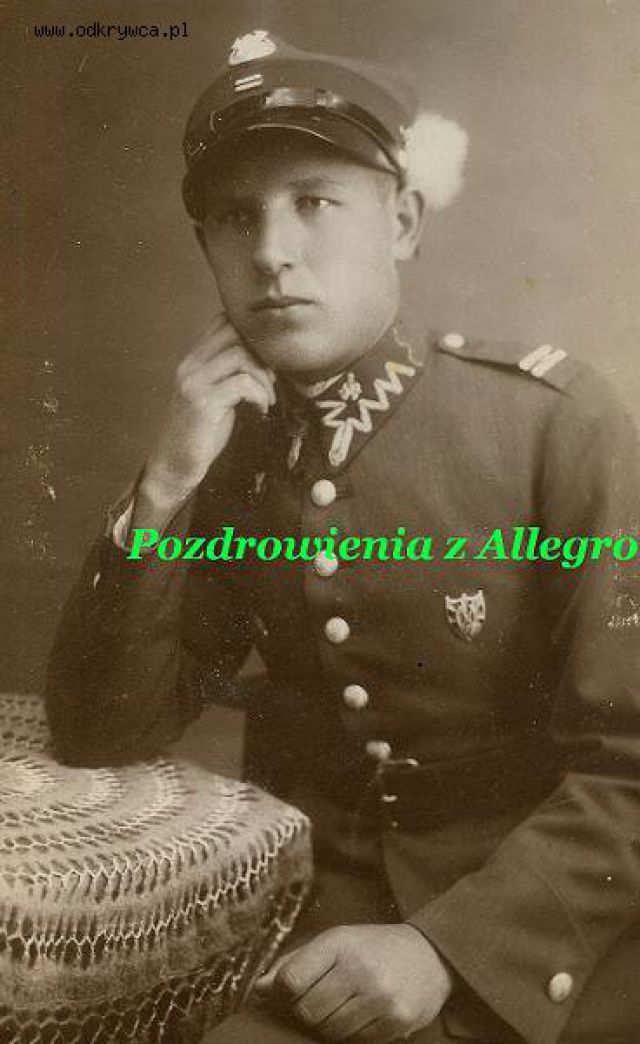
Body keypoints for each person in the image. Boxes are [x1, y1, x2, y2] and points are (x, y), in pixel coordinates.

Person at [46, 30, 640, 1044]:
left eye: (314, 202)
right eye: (236, 216)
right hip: (320, 917)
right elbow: (105, 731)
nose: (271, 252)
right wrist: (166, 486)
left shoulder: (554, 423)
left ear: (401, 223)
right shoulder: (230, 454)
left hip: (549, 939)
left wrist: (446, 951)